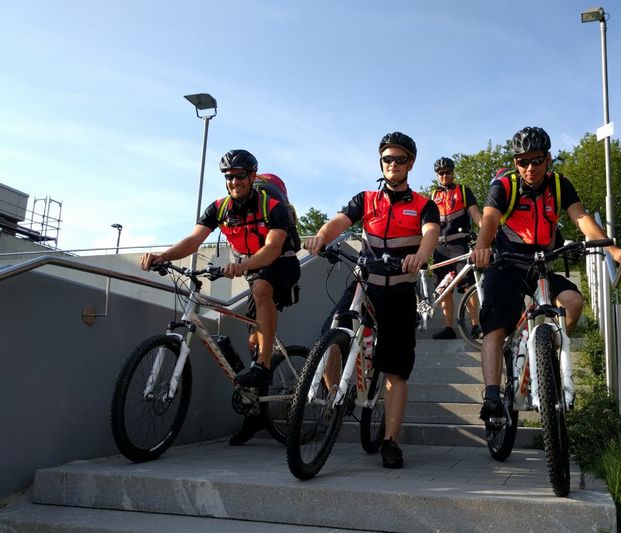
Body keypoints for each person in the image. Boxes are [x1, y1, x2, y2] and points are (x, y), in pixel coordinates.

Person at [140, 149, 301, 445]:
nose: (234, 181)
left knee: (262, 289)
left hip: (282, 262)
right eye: (229, 177)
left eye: (240, 176)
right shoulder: (219, 208)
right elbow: (193, 240)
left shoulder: (273, 206)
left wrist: (243, 265)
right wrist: (162, 255)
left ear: (252, 176)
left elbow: (273, 249)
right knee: (253, 340)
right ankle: (254, 413)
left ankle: (264, 368)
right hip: (254, 268)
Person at [470, 126, 621, 422]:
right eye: (523, 162)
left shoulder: (559, 185)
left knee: (573, 302)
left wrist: (613, 250)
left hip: (543, 262)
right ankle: (492, 394)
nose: (530, 168)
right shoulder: (505, 186)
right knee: (495, 326)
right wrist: (482, 247)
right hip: (507, 263)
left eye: (537, 160)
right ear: (515, 162)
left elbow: (580, 217)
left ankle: (544, 358)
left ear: (548, 159)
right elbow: (489, 218)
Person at [305, 132, 439, 469]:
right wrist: (322, 235)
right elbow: (340, 220)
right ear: (381, 163)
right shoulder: (366, 199)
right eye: (387, 159)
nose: (393, 164)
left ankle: (391, 442)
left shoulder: (424, 204)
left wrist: (420, 256)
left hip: (400, 293)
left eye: (400, 159)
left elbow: (431, 235)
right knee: (331, 335)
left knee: (395, 369)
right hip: (365, 285)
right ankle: (336, 397)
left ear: (411, 163)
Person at [428, 156, 482, 340]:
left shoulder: (463, 191)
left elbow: (476, 214)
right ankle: (449, 328)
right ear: (437, 175)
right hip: (439, 247)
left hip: (459, 245)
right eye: (441, 173)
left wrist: (488, 231)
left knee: (467, 285)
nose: (444, 176)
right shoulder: (433, 195)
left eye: (448, 172)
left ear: (453, 173)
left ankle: (475, 326)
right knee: (444, 289)